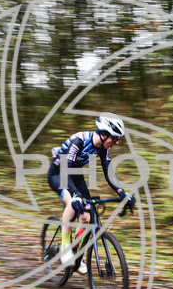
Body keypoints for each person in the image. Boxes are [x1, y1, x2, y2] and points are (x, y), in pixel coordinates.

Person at [48, 116, 136, 274]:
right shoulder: (78, 141)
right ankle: (65, 246)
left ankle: (78, 257)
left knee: (87, 217)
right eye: (115, 138)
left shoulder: (104, 147)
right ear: (103, 135)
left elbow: (109, 173)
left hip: (75, 174)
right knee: (72, 203)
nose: (117, 142)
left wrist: (122, 193)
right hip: (59, 173)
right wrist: (75, 195)